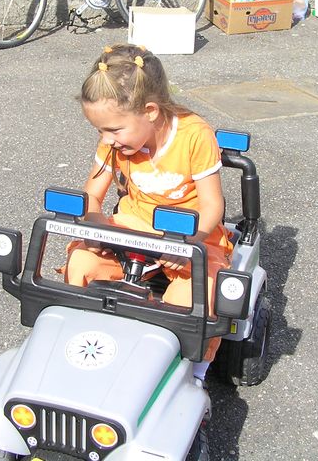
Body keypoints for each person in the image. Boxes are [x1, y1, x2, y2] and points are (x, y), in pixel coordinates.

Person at [62, 43, 232, 380]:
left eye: (113, 130)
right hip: (133, 227)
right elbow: (92, 194)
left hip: (191, 234)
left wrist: (189, 244)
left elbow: (213, 204)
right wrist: (94, 228)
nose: (106, 140)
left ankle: (194, 371)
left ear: (150, 111)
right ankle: (85, 342)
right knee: (81, 263)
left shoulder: (194, 135)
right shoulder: (115, 142)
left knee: (194, 296)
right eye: (99, 131)